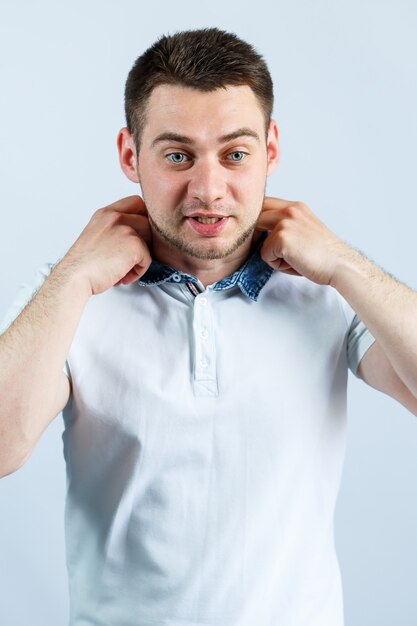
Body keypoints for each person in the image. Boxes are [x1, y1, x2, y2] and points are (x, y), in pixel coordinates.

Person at [1, 26, 417, 626]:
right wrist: (72, 278)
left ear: (270, 150)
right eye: (177, 155)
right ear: (129, 154)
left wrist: (345, 266)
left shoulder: (328, 290)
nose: (209, 190)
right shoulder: (67, 292)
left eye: (235, 154)